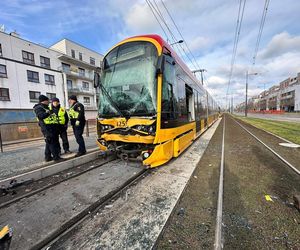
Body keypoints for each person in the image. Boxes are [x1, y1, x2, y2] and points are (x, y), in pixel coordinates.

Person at [33, 95, 61, 162]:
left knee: (49, 142)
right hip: (46, 128)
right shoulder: (38, 107)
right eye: (48, 100)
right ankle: (56, 158)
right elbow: (41, 116)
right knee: (52, 142)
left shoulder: (45, 107)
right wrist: (48, 113)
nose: (49, 102)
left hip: (51, 127)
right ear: (44, 101)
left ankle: (48, 157)